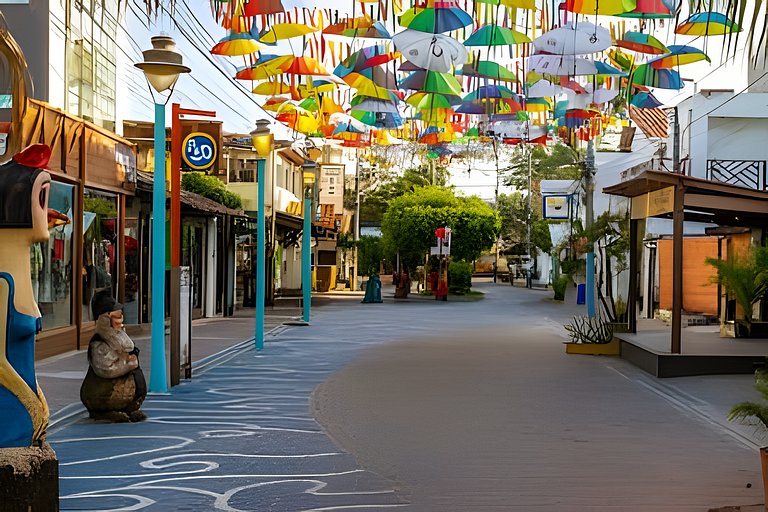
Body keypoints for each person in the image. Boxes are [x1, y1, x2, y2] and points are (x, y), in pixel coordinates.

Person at [80, 288, 147, 422]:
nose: (121, 320)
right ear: (105, 319)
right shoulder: (99, 343)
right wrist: (128, 364)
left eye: (121, 316)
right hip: (104, 394)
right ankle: (105, 411)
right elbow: (106, 369)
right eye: (117, 317)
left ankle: (129, 407)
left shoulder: (120, 337)